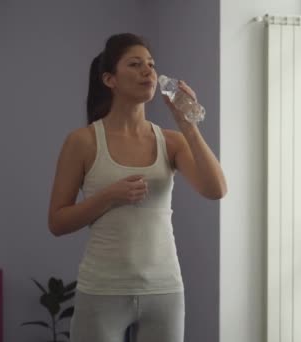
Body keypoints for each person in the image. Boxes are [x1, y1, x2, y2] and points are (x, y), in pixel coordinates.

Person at [47, 33, 227, 342]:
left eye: (151, 64)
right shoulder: (83, 141)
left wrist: (187, 123)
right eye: (135, 64)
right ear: (109, 79)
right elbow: (58, 222)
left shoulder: (171, 141)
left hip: (164, 288)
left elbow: (216, 189)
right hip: (103, 288)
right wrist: (109, 196)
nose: (148, 71)